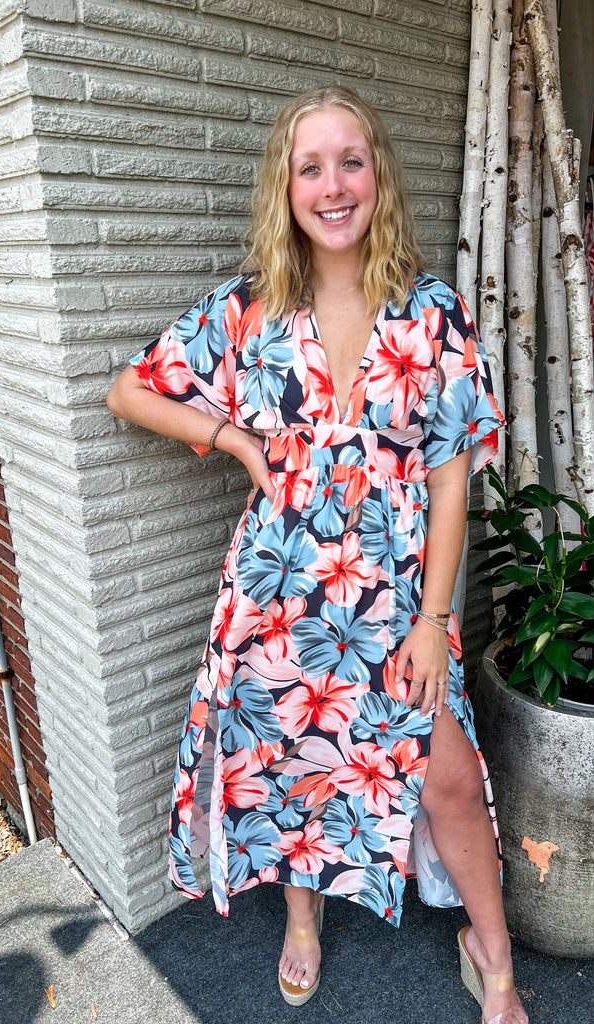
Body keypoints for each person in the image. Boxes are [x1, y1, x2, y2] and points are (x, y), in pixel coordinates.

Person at [107, 85, 527, 1024]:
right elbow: (129, 392)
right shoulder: (248, 309)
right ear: (286, 187)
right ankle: (303, 919)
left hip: (396, 600)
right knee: (292, 762)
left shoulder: (432, 311)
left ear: (378, 175)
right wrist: (234, 439)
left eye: (350, 162)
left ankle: (492, 957)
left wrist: (434, 620)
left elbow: (451, 485)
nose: (333, 187)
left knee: (450, 778)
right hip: (278, 593)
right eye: (311, 168)